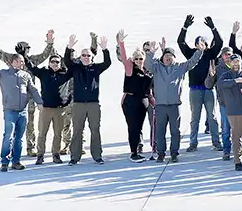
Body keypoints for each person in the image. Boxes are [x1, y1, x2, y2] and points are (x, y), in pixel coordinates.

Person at [0, 29, 55, 157]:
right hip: (13, 100)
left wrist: (50, 43)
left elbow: (45, 55)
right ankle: (11, 151)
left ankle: (31, 147)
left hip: (29, 98)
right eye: (23, 48)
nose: (25, 51)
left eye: (27, 49)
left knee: (29, 123)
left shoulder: (32, 60)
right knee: (12, 127)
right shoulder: (11, 59)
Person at [0, 50, 43, 171]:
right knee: (8, 136)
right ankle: (5, 162)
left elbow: (33, 90)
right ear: (13, 62)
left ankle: (16, 161)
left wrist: (39, 102)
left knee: (19, 138)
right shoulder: (3, 74)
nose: (22, 63)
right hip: (10, 111)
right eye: (20, 61)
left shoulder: (25, 75)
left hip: (23, 111)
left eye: (23, 61)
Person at [145, 36, 204, 162]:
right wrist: (151, 53)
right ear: (163, 57)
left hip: (174, 105)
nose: (167, 58)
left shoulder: (179, 68)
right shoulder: (157, 67)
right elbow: (147, 65)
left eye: (170, 56)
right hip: (160, 105)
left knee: (175, 131)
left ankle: (174, 153)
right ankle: (161, 153)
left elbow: (191, 63)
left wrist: (199, 51)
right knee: (160, 131)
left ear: (174, 57)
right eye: (166, 56)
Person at [177, 15, 223, 152]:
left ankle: (216, 142)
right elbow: (180, 42)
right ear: (195, 44)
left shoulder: (211, 53)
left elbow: (220, 42)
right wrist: (185, 27)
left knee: (212, 117)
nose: (201, 43)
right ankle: (193, 143)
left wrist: (212, 27)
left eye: (203, 41)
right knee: (194, 117)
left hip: (209, 89)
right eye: (198, 42)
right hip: (195, 90)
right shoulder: (190, 53)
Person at [64, 34, 111, 165]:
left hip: (93, 104)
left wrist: (105, 49)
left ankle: (97, 156)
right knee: (77, 129)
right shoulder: (75, 67)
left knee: (95, 129)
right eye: (83, 55)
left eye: (88, 55)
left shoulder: (96, 68)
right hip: (78, 104)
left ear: (92, 57)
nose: (85, 57)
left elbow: (107, 63)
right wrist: (69, 47)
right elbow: (67, 61)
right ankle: (74, 157)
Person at [23, 48, 73, 165]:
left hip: (59, 109)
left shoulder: (64, 74)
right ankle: (40, 155)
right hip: (45, 109)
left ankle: (56, 154)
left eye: (57, 62)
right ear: (49, 63)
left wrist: (68, 49)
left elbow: (72, 67)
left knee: (58, 134)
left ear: (60, 63)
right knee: (42, 133)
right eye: (53, 61)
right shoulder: (44, 73)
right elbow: (31, 67)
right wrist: (23, 55)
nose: (55, 64)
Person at [117, 31, 154, 162]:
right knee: (133, 127)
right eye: (136, 58)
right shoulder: (130, 68)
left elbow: (147, 90)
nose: (138, 60)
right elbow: (124, 55)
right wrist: (121, 43)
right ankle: (133, 153)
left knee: (139, 127)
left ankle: (138, 150)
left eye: (141, 58)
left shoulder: (146, 72)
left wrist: (152, 101)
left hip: (143, 101)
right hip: (131, 100)